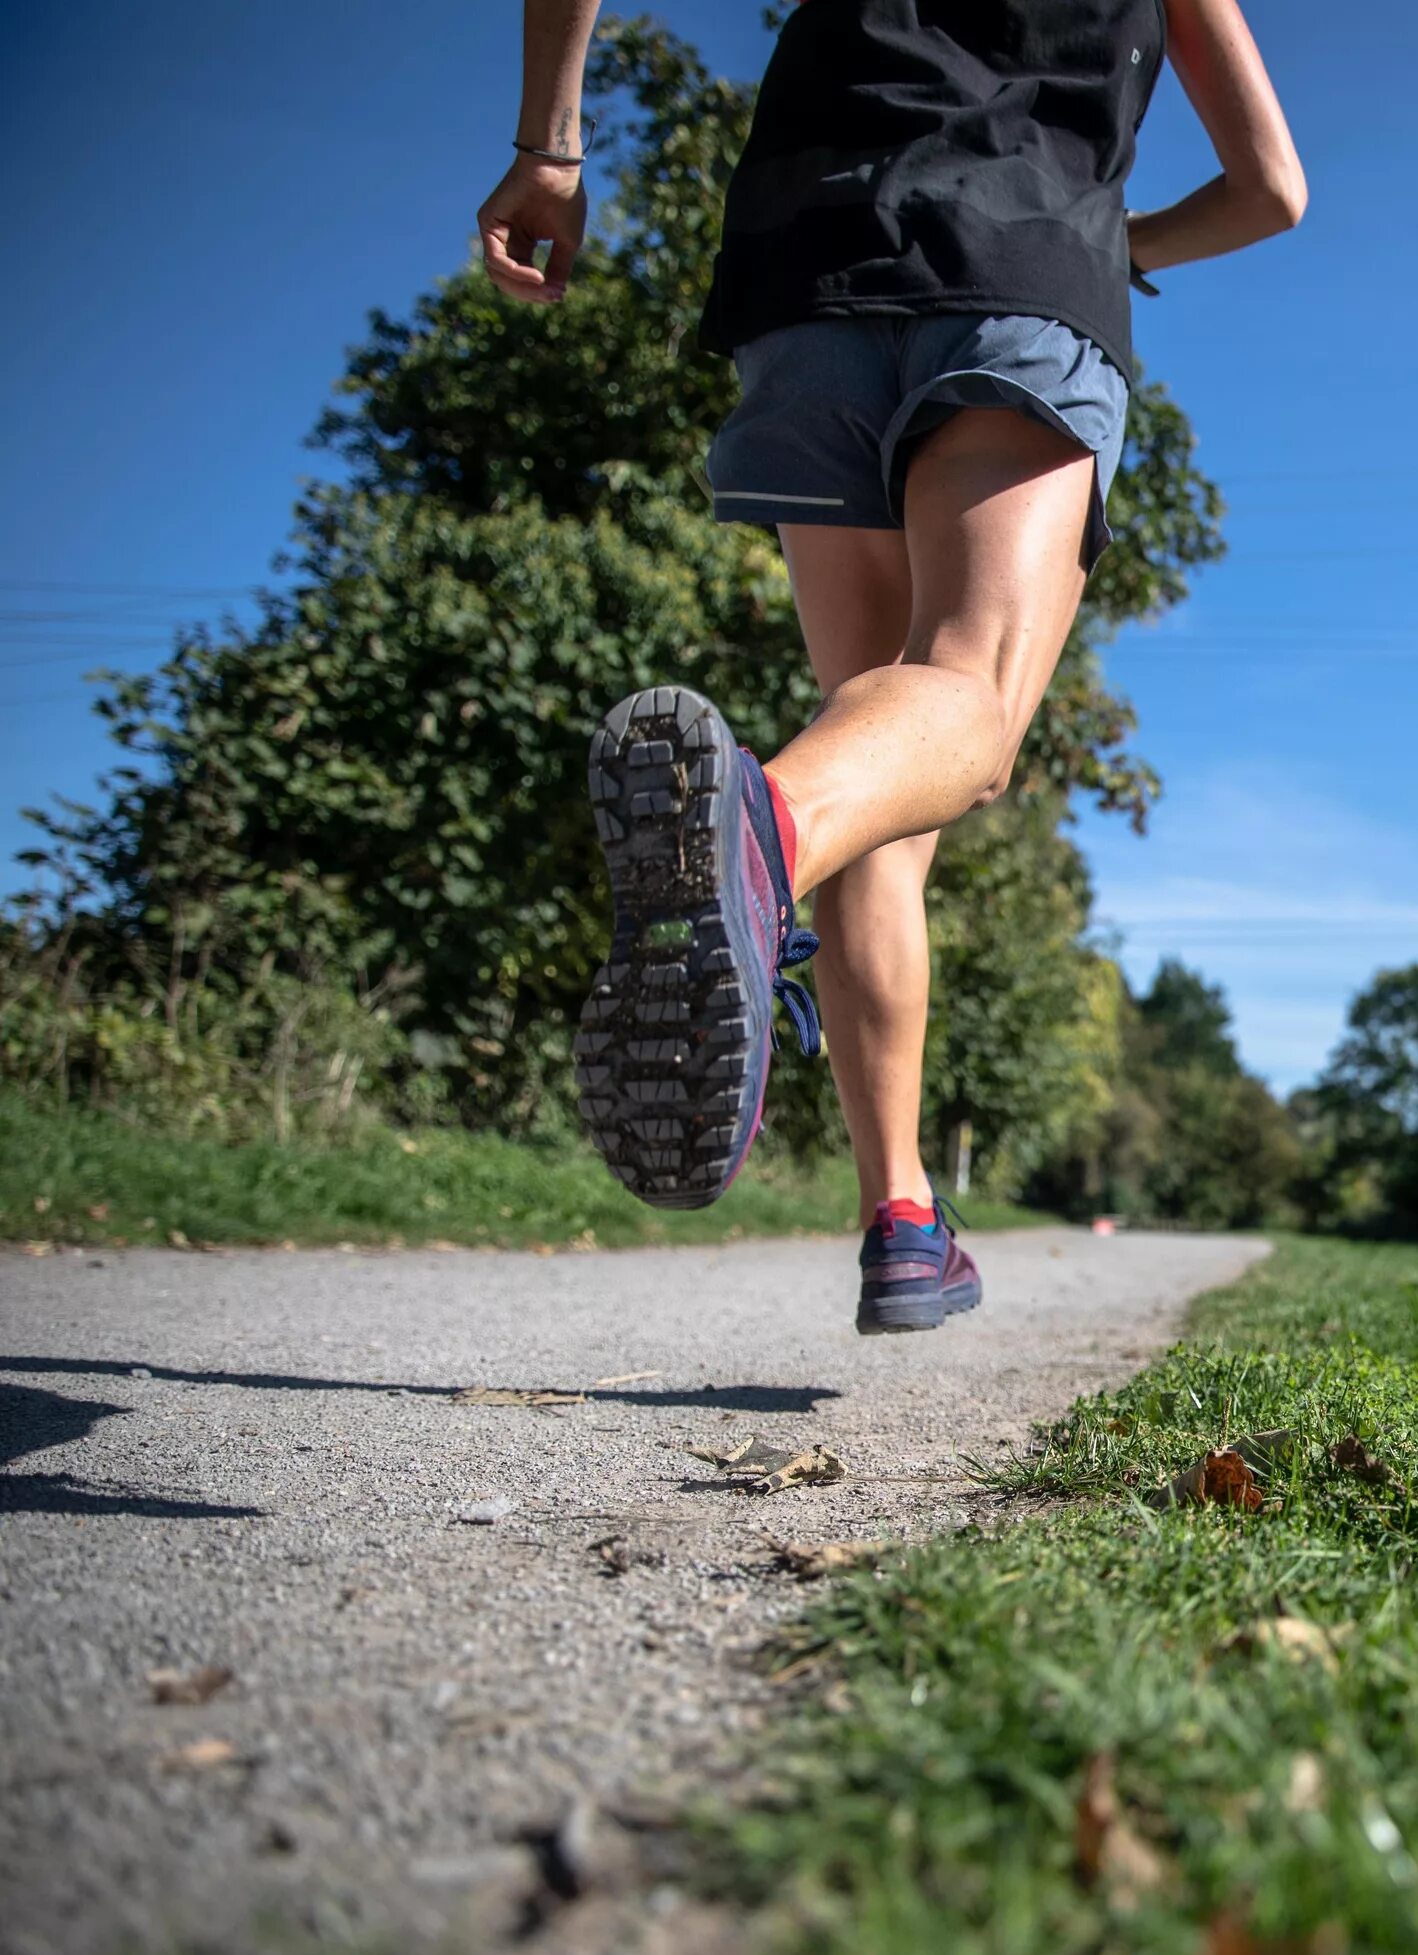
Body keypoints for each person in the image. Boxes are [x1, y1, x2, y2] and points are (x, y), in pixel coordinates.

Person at [475, 1, 1303, 1331]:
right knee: (962, 708)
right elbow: (1273, 188)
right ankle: (757, 837)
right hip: (1024, 272)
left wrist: (552, 152)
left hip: (810, 276)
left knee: (878, 764)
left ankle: (901, 1212)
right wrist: (1113, 243)